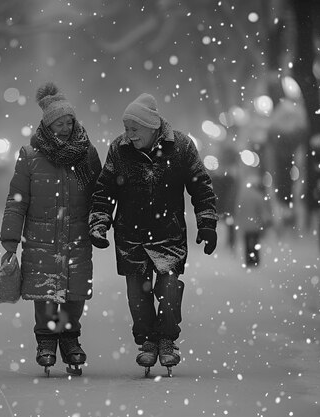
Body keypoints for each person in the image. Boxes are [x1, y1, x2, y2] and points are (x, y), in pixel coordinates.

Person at [88, 93, 218, 376]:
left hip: (168, 234)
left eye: (134, 129)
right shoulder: (119, 150)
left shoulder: (180, 147)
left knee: (169, 289)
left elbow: (201, 186)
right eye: (126, 129)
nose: (129, 135)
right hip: (130, 238)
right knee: (138, 296)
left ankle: (167, 340)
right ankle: (147, 341)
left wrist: (206, 222)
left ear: (151, 127)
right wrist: (99, 222)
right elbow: (104, 191)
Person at [0, 82, 102, 376]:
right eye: (60, 122)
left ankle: (70, 339)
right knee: (45, 293)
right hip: (41, 238)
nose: (67, 127)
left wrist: (100, 222)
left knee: (75, 293)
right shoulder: (30, 156)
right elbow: (17, 200)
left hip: (77, 236)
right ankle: (46, 340)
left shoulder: (86, 154)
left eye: (70, 121)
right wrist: (10, 239)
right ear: (47, 125)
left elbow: (99, 194)